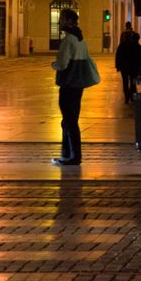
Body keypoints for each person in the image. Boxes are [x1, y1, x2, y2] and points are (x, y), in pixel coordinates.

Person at [51, 9, 89, 166]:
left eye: (62, 19)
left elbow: (62, 63)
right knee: (69, 119)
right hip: (78, 85)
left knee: (70, 120)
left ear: (69, 21)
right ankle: (67, 153)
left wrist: (54, 64)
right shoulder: (80, 39)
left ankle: (73, 156)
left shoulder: (69, 40)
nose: (60, 22)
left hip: (68, 84)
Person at [114, 22, 141, 104]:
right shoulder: (135, 45)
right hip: (133, 67)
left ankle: (126, 98)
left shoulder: (122, 44)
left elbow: (118, 56)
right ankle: (131, 96)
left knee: (125, 82)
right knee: (133, 82)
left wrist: (118, 66)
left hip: (124, 67)